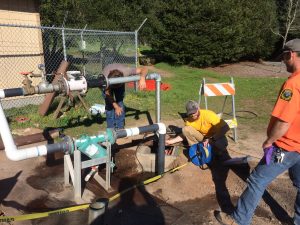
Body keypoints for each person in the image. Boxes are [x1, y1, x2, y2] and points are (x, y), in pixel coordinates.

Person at [215, 38, 300, 225]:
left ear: (291, 55)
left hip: (286, 146)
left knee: (257, 180)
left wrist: (270, 141)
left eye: (284, 57)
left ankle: (238, 220)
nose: (283, 62)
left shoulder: (293, 84)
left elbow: (284, 121)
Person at [166, 100, 230, 160]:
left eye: (194, 112)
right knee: (185, 129)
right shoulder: (188, 120)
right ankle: (197, 150)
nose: (193, 115)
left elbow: (226, 127)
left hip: (216, 136)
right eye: (190, 113)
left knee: (220, 148)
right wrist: (171, 141)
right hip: (202, 137)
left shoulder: (208, 115)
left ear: (198, 108)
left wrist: (212, 139)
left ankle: (215, 152)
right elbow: (185, 134)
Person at [102, 63, 148, 129]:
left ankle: (120, 128)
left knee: (120, 102)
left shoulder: (126, 71)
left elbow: (144, 68)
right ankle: (110, 129)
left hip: (119, 81)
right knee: (109, 105)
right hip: (107, 83)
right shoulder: (105, 77)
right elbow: (107, 94)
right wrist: (116, 106)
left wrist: (142, 78)